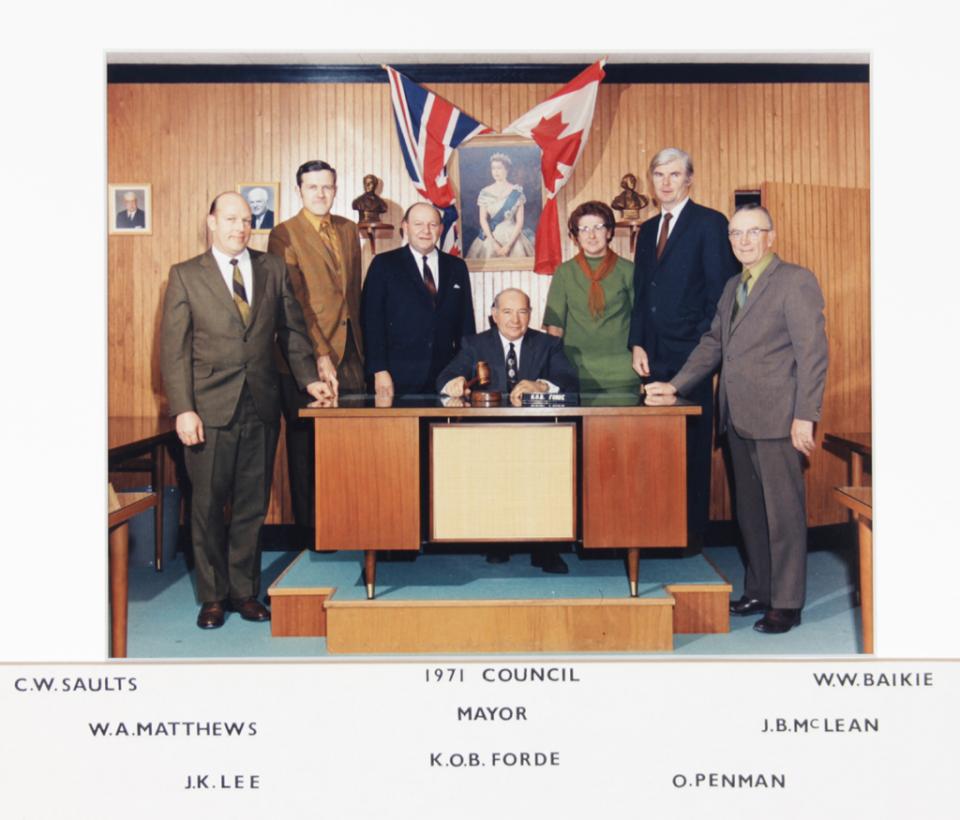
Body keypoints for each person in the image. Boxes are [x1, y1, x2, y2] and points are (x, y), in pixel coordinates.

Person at [645, 204, 828, 634]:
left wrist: (805, 416)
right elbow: (713, 345)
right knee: (751, 514)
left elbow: (813, 355)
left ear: (771, 236)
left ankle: (787, 602)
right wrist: (675, 385)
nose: (743, 241)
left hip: (780, 419)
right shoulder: (732, 286)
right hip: (737, 418)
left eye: (753, 232)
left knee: (782, 515)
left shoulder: (795, 281)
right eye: (735, 234)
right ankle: (760, 590)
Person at [160, 192, 326, 629]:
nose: (240, 227)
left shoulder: (272, 269)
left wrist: (308, 378)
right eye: (231, 218)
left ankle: (244, 592)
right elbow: (173, 352)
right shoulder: (184, 276)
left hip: (261, 405)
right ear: (211, 221)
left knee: (253, 506)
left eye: (247, 220)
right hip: (208, 410)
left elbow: (291, 330)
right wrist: (183, 409)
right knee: (209, 506)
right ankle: (213, 597)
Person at [627, 147, 740, 549]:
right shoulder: (646, 230)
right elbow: (641, 293)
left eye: (675, 175)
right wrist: (636, 341)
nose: (666, 182)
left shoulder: (710, 224)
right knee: (656, 450)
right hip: (652, 357)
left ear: (689, 179)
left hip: (693, 358)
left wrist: (702, 352)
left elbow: (720, 297)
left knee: (691, 449)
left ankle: (689, 538)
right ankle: (658, 532)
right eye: (659, 174)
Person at [438, 288, 579, 574]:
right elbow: (445, 376)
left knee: (550, 466)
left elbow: (568, 381)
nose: (515, 320)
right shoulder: (475, 344)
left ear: (530, 314)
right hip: (491, 436)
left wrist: (542, 385)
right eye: (507, 312)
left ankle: (547, 548)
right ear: (494, 315)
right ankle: (497, 541)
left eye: (522, 312)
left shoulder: (548, 343)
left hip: (538, 435)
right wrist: (452, 384)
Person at [268, 160, 365, 548]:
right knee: (306, 448)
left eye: (327, 187)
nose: (321, 194)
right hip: (303, 358)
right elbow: (294, 300)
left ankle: (349, 526)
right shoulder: (284, 234)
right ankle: (313, 535)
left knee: (351, 447)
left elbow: (351, 294)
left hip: (352, 354)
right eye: (312, 188)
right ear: (300, 191)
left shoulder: (348, 229)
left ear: (336, 189)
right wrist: (320, 355)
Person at [361, 202, 475, 397]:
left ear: (440, 229)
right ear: (405, 227)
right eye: (418, 224)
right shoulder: (384, 264)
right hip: (395, 379)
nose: (426, 231)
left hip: (446, 379)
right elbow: (371, 322)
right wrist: (379, 370)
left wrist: (462, 371)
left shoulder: (457, 267)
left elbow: (465, 326)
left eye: (432, 225)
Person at [542, 201, 639, 393]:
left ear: (609, 232)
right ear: (575, 236)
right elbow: (555, 329)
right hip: (575, 374)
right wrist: (555, 372)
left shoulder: (628, 270)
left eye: (598, 227)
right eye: (584, 229)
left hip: (622, 374)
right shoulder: (564, 272)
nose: (591, 235)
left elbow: (641, 321)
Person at [465, 153, 535, 260]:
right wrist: (494, 244)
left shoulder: (516, 192)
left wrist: (508, 246)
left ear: (507, 170)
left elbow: (520, 222)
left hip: (513, 236)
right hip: (491, 236)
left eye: (499, 168)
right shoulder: (485, 192)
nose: (496, 172)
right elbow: (483, 220)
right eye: (493, 168)